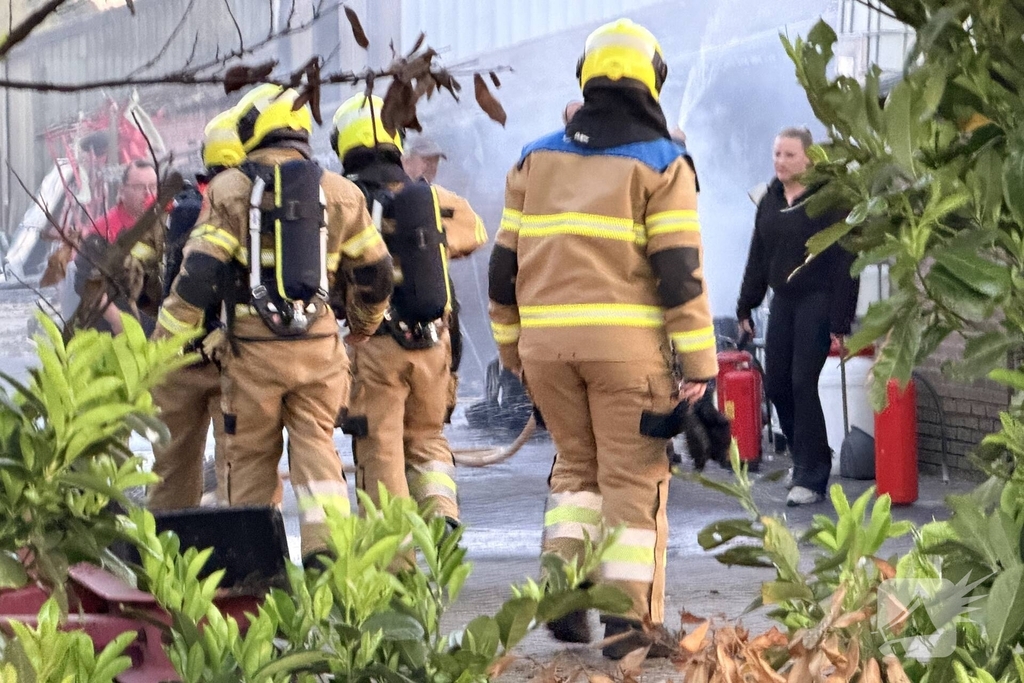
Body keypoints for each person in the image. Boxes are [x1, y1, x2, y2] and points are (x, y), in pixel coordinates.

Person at [488, 18, 717, 660]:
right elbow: (679, 273)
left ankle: (562, 597)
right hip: (628, 358)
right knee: (633, 482)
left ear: (586, 78)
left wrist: (513, 353)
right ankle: (628, 627)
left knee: (576, 474)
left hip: (546, 353)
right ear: (653, 81)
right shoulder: (664, 163)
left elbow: (503, 268)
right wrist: (700, 365)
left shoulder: (533, 158)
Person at [153, 84, 393, 565]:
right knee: (318, 453)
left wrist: (164, 340)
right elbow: (377, 275)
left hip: (253, 353)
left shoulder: (230, 189)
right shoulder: (342, 193)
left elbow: (199, 274)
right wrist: (363, 326)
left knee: (248, 462)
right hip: (319, 349)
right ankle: (328, 557)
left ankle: (256, 569)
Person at [331, 93, 487, 525]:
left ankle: (394, 553)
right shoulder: (430, 199)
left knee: (380, 448)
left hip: (377, 345)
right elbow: (475, 232)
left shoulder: (344, 200)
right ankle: (441, 516)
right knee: (427, 441)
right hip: (433, 343)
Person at [736, 126, 858, 507]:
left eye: (789, 155)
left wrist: (841, 320)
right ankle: (807, 455)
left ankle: (812, 475)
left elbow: (846, 260)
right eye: (777, 154)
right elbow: (758, 255)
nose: (781, 162)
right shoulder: (770, 200)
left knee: (803, 382)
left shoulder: (828, 201)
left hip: (817, 298)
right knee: (777, 386)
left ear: (809, 159)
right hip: (783, 300)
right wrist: (745, 305)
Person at [146, 107, 246, 511]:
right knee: (240, 469)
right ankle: (244, 548)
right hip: (230, 358)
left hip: (175, 357)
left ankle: (164, 546)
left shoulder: (176, 209)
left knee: (170, 471)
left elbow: (149, 281)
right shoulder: (248, 208)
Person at [73, 159, 159, 334]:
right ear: (122, 190)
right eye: (139, 187)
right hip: (113, 328)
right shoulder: (104, 231)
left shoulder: (163, 225)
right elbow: (85, 283)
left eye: (153, 187)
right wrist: (116, 319)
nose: (148, 194)